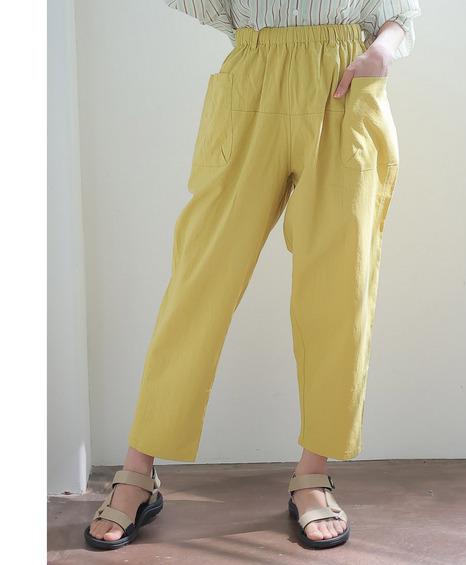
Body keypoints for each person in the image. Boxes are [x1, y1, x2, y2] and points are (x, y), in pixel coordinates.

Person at [85, 0, 422, 551]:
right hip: (253, 79)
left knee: (338, 290)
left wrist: (381, 51)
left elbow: (399, 10)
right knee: (199, 283)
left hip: (344, 80)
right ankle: (137, 469)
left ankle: (313, 472)